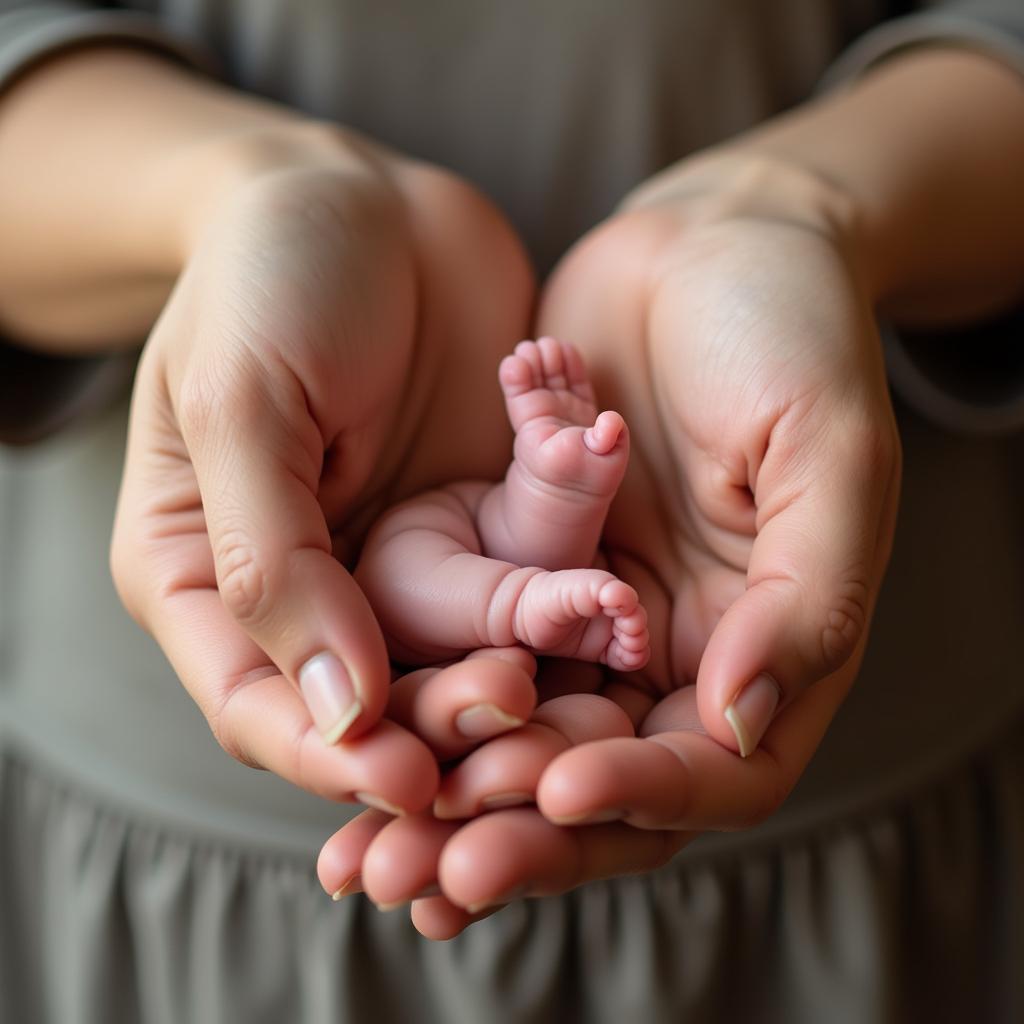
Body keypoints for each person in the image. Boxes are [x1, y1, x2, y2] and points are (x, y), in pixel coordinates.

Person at [1, 2, 1023, 1022]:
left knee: (504, 562)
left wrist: (810, 204)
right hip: (180, 835)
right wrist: (232, 196)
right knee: (487, 572)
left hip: (858, 810)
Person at [355, 335, 650, 672]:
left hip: (461, 522)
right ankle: (529, 601)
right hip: (400, 594)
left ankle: (553, 490)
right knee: (394, 578)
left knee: (511, 547)